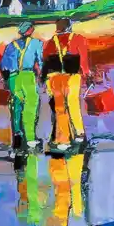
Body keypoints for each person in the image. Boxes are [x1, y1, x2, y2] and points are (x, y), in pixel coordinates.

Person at [41, 17, 89, 148]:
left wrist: (43, 78)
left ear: (57, 28)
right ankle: (79, 134)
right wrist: (86, 73)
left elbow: (45, 61)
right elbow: (83, 59)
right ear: (69, 26)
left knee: (60, 108)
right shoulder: (79, 39)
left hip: (54, 77)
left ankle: (63, 140)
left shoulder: (50, 42)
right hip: (72, 75)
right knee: (73, 104)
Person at [0, 22, 43, 153]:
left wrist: (7, 81)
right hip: (27, 75)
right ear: (31, 30)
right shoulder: (36, 43)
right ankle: (30, 139)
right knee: (31, 106)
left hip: (12, 77)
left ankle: (17, 139)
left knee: (16, 106)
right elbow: (39, 61)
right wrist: (41, 77)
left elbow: (3, 66)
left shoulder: (11, 46)